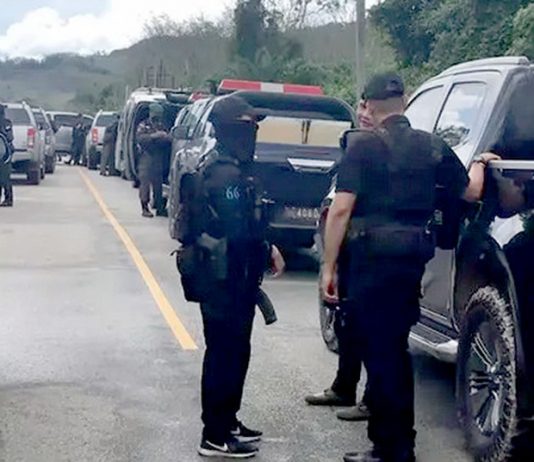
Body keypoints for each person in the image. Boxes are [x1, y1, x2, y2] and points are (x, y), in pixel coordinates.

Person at [321, 72, 499, 462]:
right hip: (411, 262)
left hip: (371, 264)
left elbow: (341, 210)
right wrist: (481, 162)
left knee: (381, 355)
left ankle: (392, 448)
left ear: (369, 106)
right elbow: (471, 190)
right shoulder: (431, 146)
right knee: (395, 351)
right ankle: (398, 444)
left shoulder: (362, 148)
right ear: (403, 103)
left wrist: (329, 267)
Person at [174, 95, 285, 458]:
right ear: (230, 130)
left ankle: (228, 421)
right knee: (224, 353)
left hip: (235, 276)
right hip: (222, 278)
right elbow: (238, 228)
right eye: (247, 126)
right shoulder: (224, 174)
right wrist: (263, 246)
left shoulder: (231, 168)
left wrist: (267, 248)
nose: (253, 133)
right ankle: (215, 434)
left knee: (237, 350)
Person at [304, 100, 374, 423]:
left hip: (375, 249)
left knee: (374, 329)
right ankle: (344, 385)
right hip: (348, 244)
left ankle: (372, 398)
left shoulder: (388, 149)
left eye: (371, 108)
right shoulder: (353, 146)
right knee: (346, 320)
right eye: (361, 107)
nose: (365, 114)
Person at [136, 104, 171, 218]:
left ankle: (159, 207)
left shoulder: (161, 125)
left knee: (158, 185)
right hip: (146, 156)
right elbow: (141, 139)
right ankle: (145, 207)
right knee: (145, 184)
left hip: (158, 156)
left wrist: (164, 137)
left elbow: (169, 138)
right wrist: (154, 136)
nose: (157, 118)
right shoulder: (144, 125)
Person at [0, 104, 14, 207]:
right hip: (6, 153)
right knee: (4, 177)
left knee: (4, 177)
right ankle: (8, 199)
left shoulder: (6, 123)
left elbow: (9, 137)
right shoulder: (7, 123)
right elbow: (10, 137)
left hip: (5, 153)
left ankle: (8, 199)